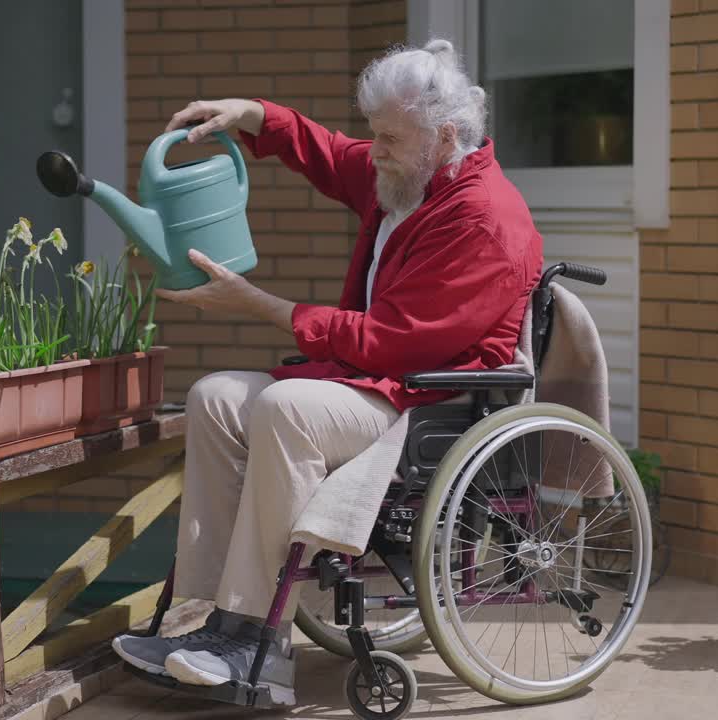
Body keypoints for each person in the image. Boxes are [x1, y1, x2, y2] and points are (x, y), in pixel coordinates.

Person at [111, 38, 543, 705]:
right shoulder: (408, 172)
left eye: (389, 138)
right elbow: (328, 151)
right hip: (369, 380)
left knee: (287, 408)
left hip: (424, 399)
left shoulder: (485, 220)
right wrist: (250, 112)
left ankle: (260, 641)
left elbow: (395, 343)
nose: (375, 150)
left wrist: (261, 307)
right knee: (216, 395)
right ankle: (209, 619)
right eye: (377, 135)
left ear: (445, 136)